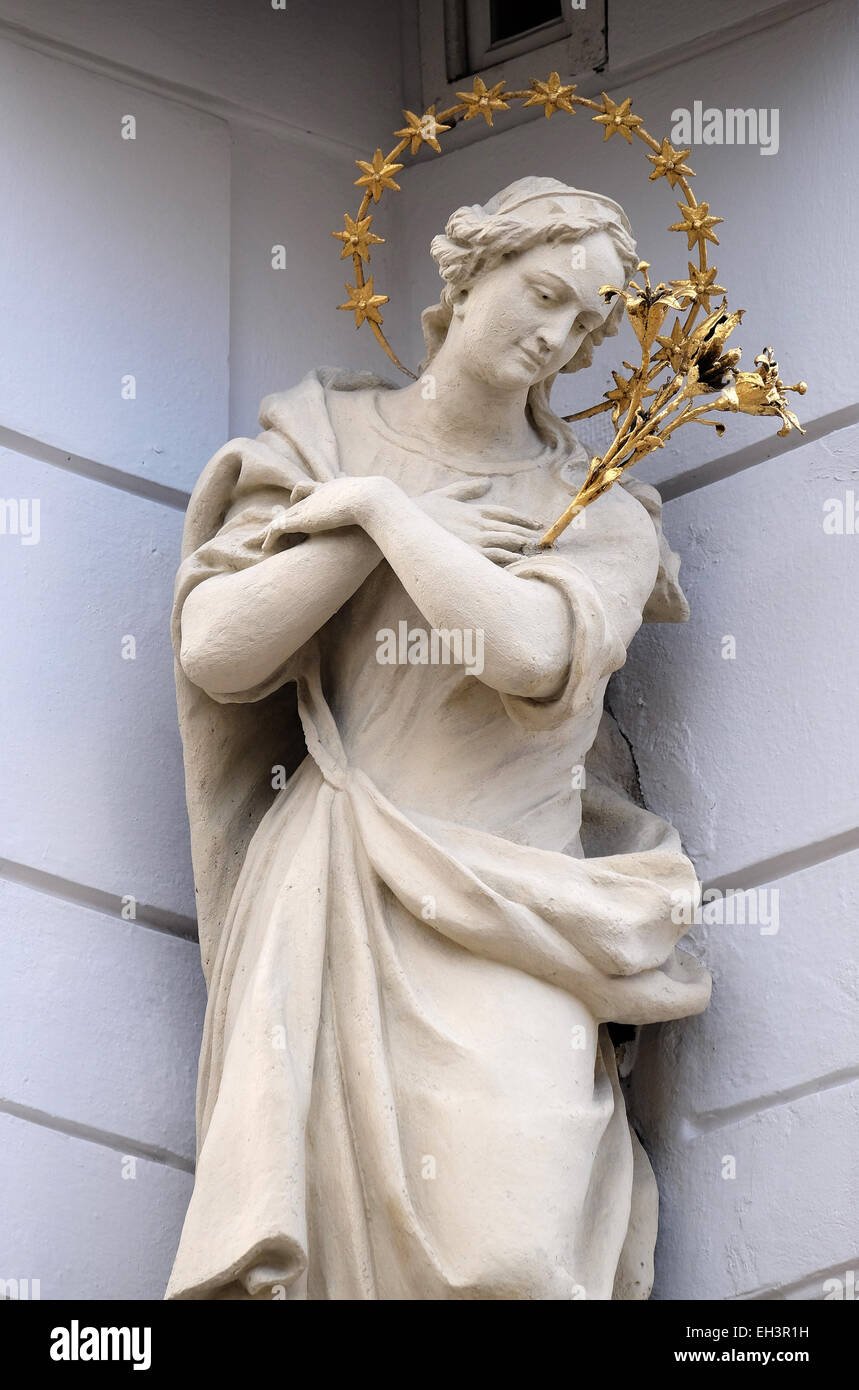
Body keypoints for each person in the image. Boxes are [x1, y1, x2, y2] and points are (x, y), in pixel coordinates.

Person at [167, 176, 711, 1301]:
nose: (557, 334)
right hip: (338, 884)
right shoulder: (319, 436)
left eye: (588, 322)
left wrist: (388, 516)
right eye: (544, 291)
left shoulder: (595, 509)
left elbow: (524, 651)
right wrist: (364, 519)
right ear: (469, 270)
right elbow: (219, 650)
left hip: (511, 906)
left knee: (512, 1251)